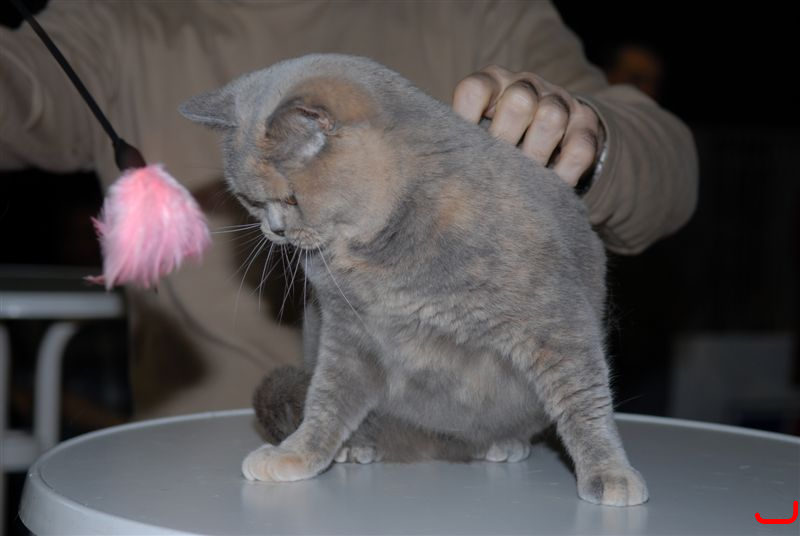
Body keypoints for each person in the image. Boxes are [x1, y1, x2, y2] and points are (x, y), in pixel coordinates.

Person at [0, 0, 697, 419]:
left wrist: (586, 144)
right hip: (191, 491)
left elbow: (667, 166)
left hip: (456, 479)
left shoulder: (474, 12)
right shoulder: (116, 22)